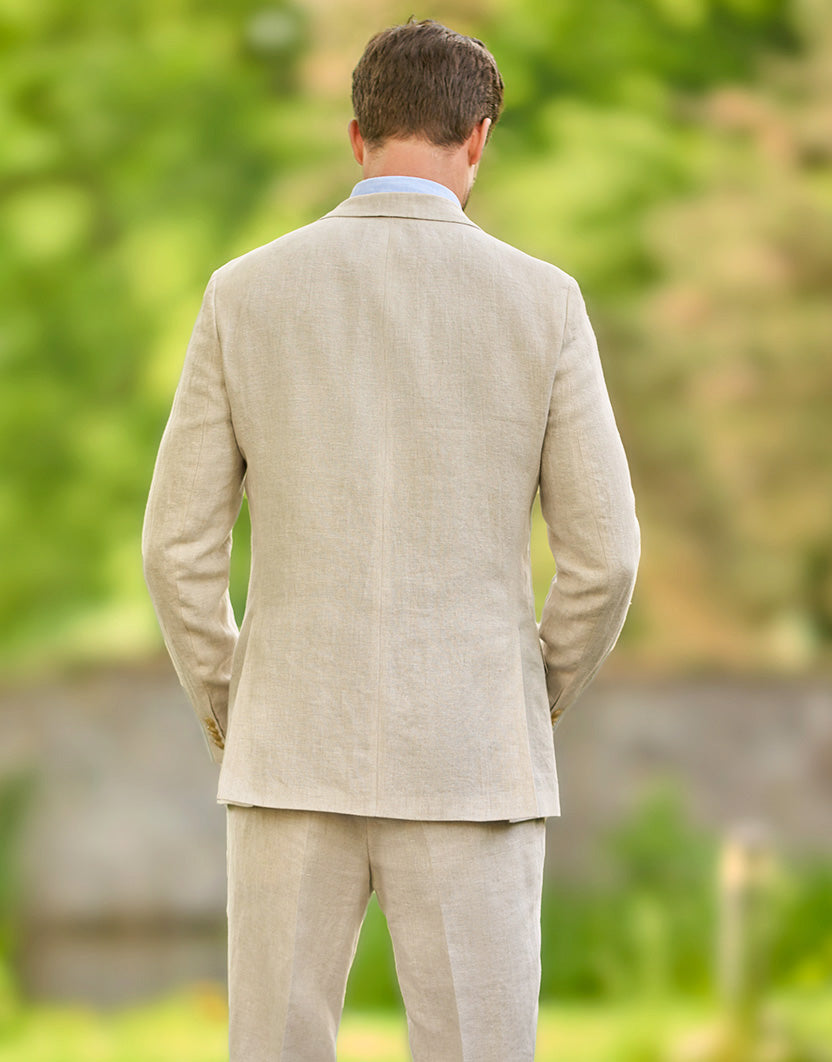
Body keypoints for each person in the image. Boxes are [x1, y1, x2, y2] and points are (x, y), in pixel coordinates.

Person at [142, 18, 640, 1062]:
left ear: (357, 135)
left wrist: (238, 700)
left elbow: (177, 552)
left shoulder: (244, 294)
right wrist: (524, 690)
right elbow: (606, 558)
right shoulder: (544, 304)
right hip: (473, 757)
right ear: (478, 136)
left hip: (287, 753)